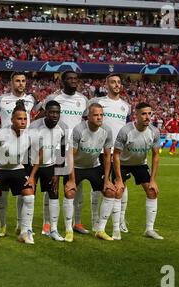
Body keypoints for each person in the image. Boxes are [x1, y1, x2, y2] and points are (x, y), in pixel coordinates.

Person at [36, 71, 88, 236]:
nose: (73, 81)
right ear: (62, 81)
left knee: (76, 186)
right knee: (52, 186)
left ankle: (76, 222)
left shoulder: (83, 100)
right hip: (57, 147)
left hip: (75, 149)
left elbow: (85, 122)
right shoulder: (54, 99)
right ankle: (47, 223)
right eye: (69, 79)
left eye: (75, 79)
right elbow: (40, 118)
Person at [0, 72, 40, 237]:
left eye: (23, 81)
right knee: (2, 191)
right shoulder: (2, 99)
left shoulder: (31, 99)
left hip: (24, 148)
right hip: (4, 147)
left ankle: (21, 224)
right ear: (11, 82)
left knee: (23, 189)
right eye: (17, 81)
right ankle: (2, 225)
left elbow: (43, 112)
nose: (20, 83)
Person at [0, 102, 40, 246]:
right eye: (19, 119)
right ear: (12, 120)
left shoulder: (30, 135)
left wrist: (32, 176)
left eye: (25, 119)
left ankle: (24, 233)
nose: (23, 122)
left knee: (30, 196)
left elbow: (40, 153)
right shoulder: (1, 134)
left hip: (17, 168)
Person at [64, 103, 117, 242]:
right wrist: (71, 179)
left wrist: (107, 179)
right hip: (76, 166)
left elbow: (107, 156)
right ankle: (69, 230)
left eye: (101, 115)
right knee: (70, 192)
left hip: (93, 166)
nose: (99, 117)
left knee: (110, 191)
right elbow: (70, 155)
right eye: (96, 115)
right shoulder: (79, 129)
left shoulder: (107, 130)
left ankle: (100, 230)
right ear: (88, 116)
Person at [113, 102, 163, 240]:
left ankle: (149, 230)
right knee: (118, 191)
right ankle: (116, 229)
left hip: (140, 164)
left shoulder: (154, 132)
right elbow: (116, 154)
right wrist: (118, 179)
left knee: (152, 191)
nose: (147, 117)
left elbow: (156, 155)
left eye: (149, 114)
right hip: (122, 163)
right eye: (144, 114)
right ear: (136, 115)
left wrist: (152, 180)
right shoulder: (125, 131)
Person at [88, 73, 130, 234]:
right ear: (107, 85)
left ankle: (120, 220)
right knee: (98, 187)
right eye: (113, 82)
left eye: (119, 82)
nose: (116, 85)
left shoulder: (126, 106)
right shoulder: (99, 103)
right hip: (100, 150)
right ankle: (95, 219)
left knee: (121, 186)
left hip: (120, 152)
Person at [29, 100, 68, 241]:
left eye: (57, 112)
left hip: (50, 166)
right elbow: (25, 147)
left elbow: (62, 151)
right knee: (28, 196)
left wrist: (58, 173)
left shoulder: (63, 128)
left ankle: (53, 229)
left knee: (54, 195)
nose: (54, 115)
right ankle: (26, 228)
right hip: (33, 165)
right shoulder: (34, 126)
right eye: (51, 112)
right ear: (45, 112)